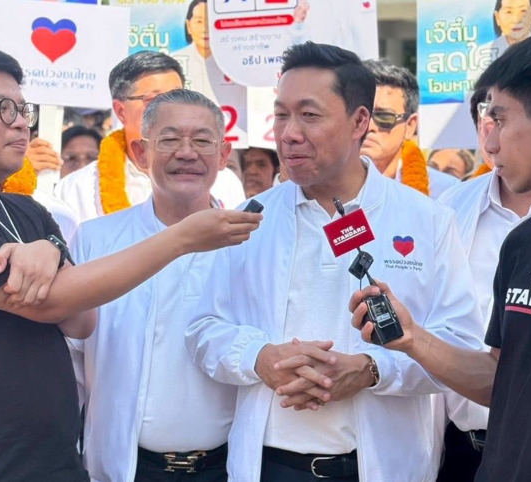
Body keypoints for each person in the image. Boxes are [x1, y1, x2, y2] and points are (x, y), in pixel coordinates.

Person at [0, 45, 261, 482]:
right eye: (2, 108)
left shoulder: (27, 212)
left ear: (224, 154)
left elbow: (81, 321)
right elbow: (54, 304)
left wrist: (50, 248)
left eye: (23, 110)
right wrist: (181, 239)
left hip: (53, 462)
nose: (20, 123)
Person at [185, 42, 483, 482]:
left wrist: (372, 370)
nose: (289, 133)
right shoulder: (249, 220)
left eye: (309, 115)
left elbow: (459, 346)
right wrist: (259, 357)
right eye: (281, 115)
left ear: (360, 120)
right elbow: (202, 327)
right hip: (271, 465)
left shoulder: (426, 220)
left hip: (383, 466)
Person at [349, 34, 531, 482]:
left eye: (500, 120)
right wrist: (411, 338)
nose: (492, 142)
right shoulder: (525, 242)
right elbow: (500, 379)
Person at [71, 90, 238, 482]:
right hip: (124, 467)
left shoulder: (248, 241)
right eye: (169, 139)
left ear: (223, 155)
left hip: (226, 468)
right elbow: (70, 366)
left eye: (202, 140)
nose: (186, 153)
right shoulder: (96, 239)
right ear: (141, 153)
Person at [433, 87, 531, 482]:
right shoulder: (449, 208)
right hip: (463, 447)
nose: (494, 137)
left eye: (503, 119)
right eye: (487, 120)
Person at [56, 51, 245, 222]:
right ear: (120, 111)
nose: (171, 109)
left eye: (178, 96)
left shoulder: (223, 182)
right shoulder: (77, 188)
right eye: (154, 100)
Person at [360, 58, 458, 199]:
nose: (369, 126)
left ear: (410, 126)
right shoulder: (326, 186)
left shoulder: (446, 192)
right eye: (360, 116)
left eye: (384, 117)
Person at [170, 0, 247, 142]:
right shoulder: (173, 63)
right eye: (199, 22)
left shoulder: (238, 62)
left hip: (234, 142)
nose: (205, 29)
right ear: (189, 26)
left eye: (210, 21)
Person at [468, 0, 531, 81]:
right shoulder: (481, 54)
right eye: (508, 12)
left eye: (523, 11)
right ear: (497, 17)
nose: (516, 20)